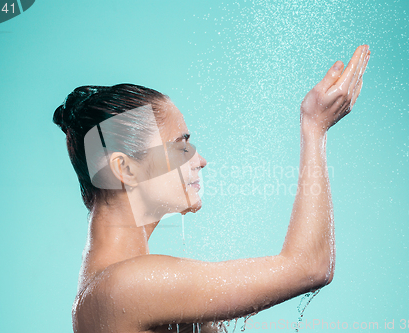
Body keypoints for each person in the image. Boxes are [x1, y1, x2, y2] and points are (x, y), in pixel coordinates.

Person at [53, 45, 371, 333]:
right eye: (181, 146)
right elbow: (308, 267)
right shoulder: (124, 286)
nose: (200, 161)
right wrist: (314, 127)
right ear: (125, 168)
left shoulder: (109, 288)